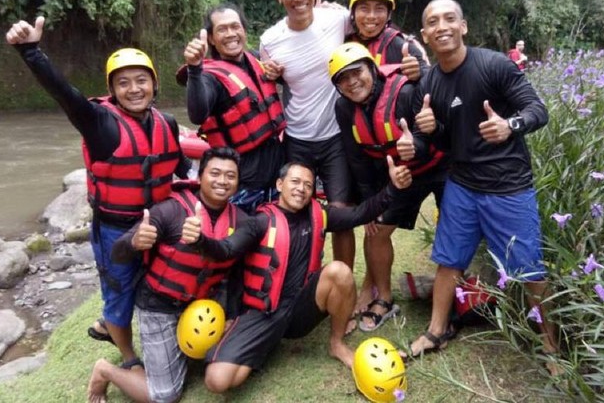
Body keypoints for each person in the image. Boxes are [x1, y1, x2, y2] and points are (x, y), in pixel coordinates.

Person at [6, 17, 189, 369]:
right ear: (112, 90)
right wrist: (31, 51)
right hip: (115, 229)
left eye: (141, 81)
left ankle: (149, 332)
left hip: (159, 223)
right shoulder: (99, 123)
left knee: (166, 281)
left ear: (154, 84)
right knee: (119, 294)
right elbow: (65, 93)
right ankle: (128, 356)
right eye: (123, 83)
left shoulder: (165, 122)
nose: (134, 89)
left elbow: (180, 167)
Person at [404, 0, 559, 366]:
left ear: (463, 26)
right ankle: (436, 330)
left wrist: (509, 126)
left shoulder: (494, 65)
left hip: (508, 186)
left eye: (449, 18)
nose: (441, 26)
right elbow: (441, 142)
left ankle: (552, 346)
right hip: (462, 185)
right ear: (425, 35)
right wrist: (424, 135)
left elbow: (538, 110)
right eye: (433, 22)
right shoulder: (429, 83)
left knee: (530, 270)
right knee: (448, 261)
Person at [196, 159, 412, 393]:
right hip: (263, 313)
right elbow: (226, 250)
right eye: (295, 182)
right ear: (280, 184)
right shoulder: (258, 222)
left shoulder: (320, 214)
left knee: (339, 271)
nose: (301, 189)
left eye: (308, 185)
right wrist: (200, 240)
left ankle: (336, 344)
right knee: (218, 381)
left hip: (301, 309)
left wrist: (393, 188)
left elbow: (359, 214)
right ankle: (266, 342)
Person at [86, 147, 247, 403]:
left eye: (230, 176)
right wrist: (135, 241)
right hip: (158, 306)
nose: (222, 181)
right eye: (215, 173)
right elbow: (117, 253)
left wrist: (230, 314)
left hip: (199, 305)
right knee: (165, 395)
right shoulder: (169, 211)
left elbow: (236, 275)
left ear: (238, 183)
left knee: (209, 360)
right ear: (200, 176)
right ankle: (105, 370)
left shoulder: (241, 221)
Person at [329, 42, 446, 332]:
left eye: (357, 72)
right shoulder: (344, 108)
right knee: (377, 230)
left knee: (453, 231)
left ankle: (453, 294)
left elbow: (434, 132)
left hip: (440, 168)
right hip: (401, 175)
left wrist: (416, 146)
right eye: (343, 79)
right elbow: (357, 159)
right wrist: (371, 204)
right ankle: (384, 297)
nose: (352, 82)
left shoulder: (406, 91)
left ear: (372, 69)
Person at [259, 0, 357, 268]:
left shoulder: (339, 19)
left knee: (340, 213)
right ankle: (299, 281)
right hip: (297, 138)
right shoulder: (270, 40)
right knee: (296, 211)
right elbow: (268, 86)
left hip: (336, 137)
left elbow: (374, 32)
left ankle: (344, 283)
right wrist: (270, 74)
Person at [177, 3, 286, 214]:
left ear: (244, 30)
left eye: (235, 27)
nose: (230, 34)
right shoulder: (210, 77)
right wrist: (194, 68)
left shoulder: (256, 59)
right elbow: (197, 114)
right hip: (243, 184)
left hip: (275, 176)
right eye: (222, 29)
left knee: (276, 242)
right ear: (210, 39)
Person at [346, 0, 430, 81]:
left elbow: (428, 75)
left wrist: (419, 73)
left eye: (379, 9)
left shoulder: (402, 45)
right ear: (353, 12)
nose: (371, 16)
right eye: (364, 8)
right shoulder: (344, 39)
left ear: (388, 15)